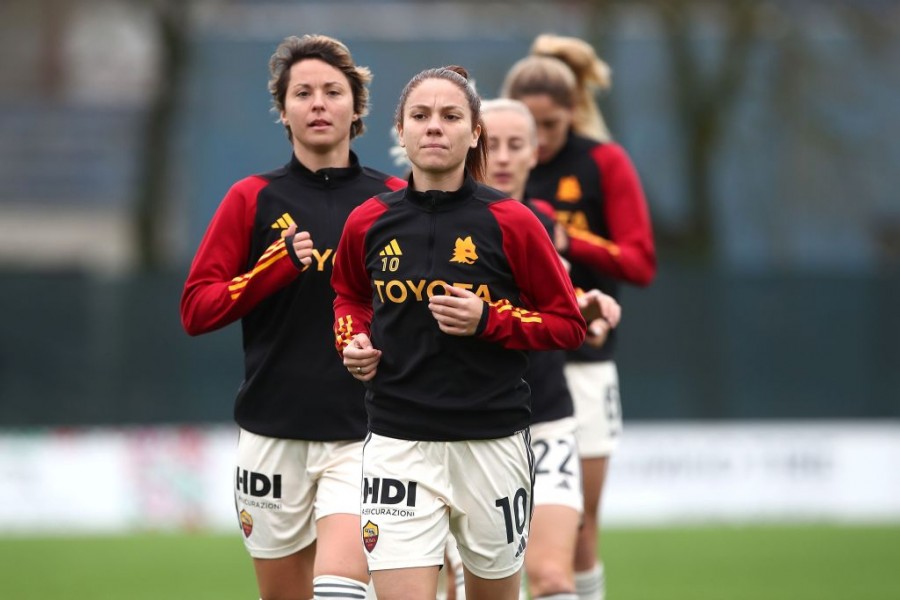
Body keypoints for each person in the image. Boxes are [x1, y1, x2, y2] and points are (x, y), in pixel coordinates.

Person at [331, 65, 587, 600]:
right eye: (420, 116)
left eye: (450, 116)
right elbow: (349, 296)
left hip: (491, 443)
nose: (434, 127)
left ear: (474, 134)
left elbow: (567, 324)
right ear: (400, 130)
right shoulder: (367, 221)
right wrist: (352, 340)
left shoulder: (514, 222)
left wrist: (489, 321)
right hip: (398, 440)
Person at [180, 34, 405, 600]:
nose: (319, 103)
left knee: (338, 587)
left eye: (333, 91)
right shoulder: (249, 198)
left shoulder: (397, 199)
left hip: (365, 432)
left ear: (357, 108)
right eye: (303, 93)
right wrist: (270, 269)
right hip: (271, 433)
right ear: (283, 111)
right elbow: (196, 310)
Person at [502, 34, 657, 600]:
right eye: (527, 129)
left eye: (550, 126)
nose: (536, 144)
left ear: (573, 113)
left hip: (583, 362)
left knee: (578, 530)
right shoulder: (495, 162)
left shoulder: (601, 162)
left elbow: (640, 262)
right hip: (510, 359)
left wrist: (570, 241)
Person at [481, 98, 622, 600]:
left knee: (553, 580)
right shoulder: (438, 224)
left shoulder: (541, 222)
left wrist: (589, 312)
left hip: (544, 416)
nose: (500, 156)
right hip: (462, 429)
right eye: (490, 144)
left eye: (514, 145)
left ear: (534, 154)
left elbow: (561, 298)